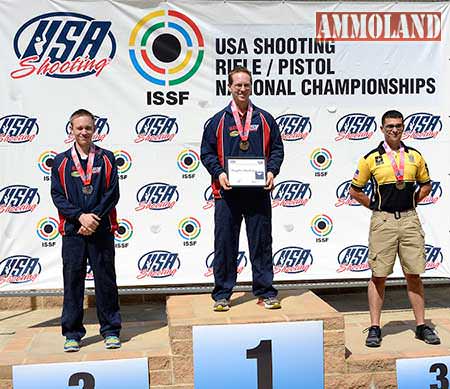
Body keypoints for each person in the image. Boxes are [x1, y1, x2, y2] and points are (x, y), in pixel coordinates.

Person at [349, 109, 440, 347]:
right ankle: (375, 328)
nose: (394, 130)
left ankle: (421, 326)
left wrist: (410, 203)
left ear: (404, 128)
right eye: (389, 126)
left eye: (398, 125)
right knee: (378, 275)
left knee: (414, 274)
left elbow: (426, 185)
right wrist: (376, 207)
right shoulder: (370, 158)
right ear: (382, 129)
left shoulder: (415, 156)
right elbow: (354, 190)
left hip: (410, 220)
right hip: (383, 221)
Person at [201, 66, 284, 311]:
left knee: (261, 243)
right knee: (225, 243)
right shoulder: (218, 121)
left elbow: (277, 150)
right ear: (229, 87)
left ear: (251, 86)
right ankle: (222, 294)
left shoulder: (265, 119)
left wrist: (271, 171)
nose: (242, 89)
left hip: (258, 193)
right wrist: (219, 173)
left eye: (246, 84)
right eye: (237, 84)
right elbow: (206, 153)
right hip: (226, 193)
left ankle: (265, 291)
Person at [51, 109, 122, 352]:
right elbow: (57, 196)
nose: (83, 132)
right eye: (79, 128)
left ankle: (111, 330)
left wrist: (94, 219)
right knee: (72, 282)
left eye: (88, 128)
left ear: (94, 130)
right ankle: (72, 333)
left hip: (101, 229)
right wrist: (80, 216)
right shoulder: (60, 161)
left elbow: (112, 193)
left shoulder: (106, 158)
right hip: (73, 231)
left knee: (105, 281)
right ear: (71, 129)